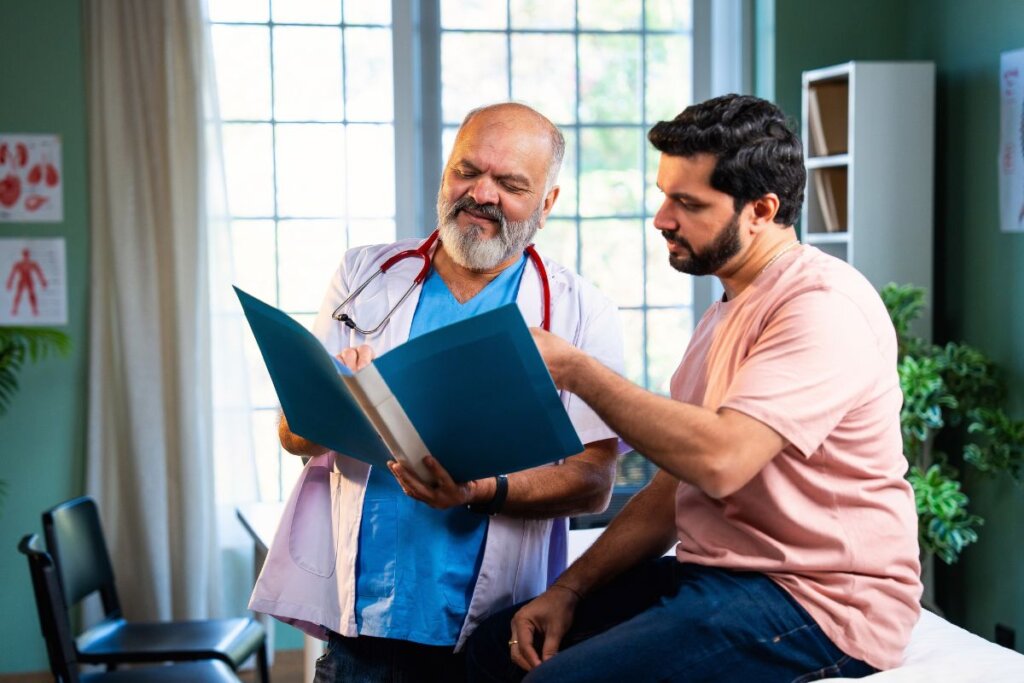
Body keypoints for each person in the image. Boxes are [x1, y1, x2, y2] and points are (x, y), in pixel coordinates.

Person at [466, 94, 922, 682]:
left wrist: (576, 369)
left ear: (760, 209)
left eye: (687, 202)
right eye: (663, 194)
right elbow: (677, 486)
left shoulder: (821, 307)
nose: (662, 218)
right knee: (495, 646)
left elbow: (722, 461)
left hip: (819, 600)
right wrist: (570, 590)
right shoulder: (728, 310)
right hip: (720, 576)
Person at [249, 102, 624, 682]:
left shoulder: (581, 312)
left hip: (493, 638)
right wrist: (346, 399)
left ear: (547, 204)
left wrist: (479, 490)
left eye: (511, 183)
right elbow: (291, 433)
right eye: (466, 171)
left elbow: (594, 481)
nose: (482, 193)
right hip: (363, 629)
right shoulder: (365, 275)